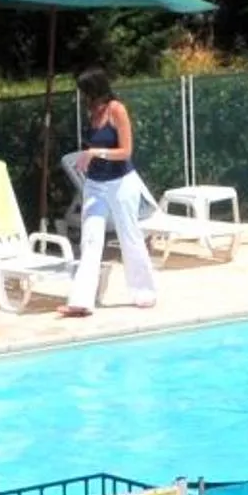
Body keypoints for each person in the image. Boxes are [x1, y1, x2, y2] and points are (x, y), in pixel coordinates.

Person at [62, 67, 158, 318]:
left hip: (121, 183)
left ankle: (143, 292)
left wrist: (96, 153)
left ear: (95, 88)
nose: (82, 95)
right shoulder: (92, 111)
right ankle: (81, 301)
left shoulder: (117, 110)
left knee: (130, 235)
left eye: (84, 90)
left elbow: (125, 151)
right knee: (91, 239)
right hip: (95, 184)